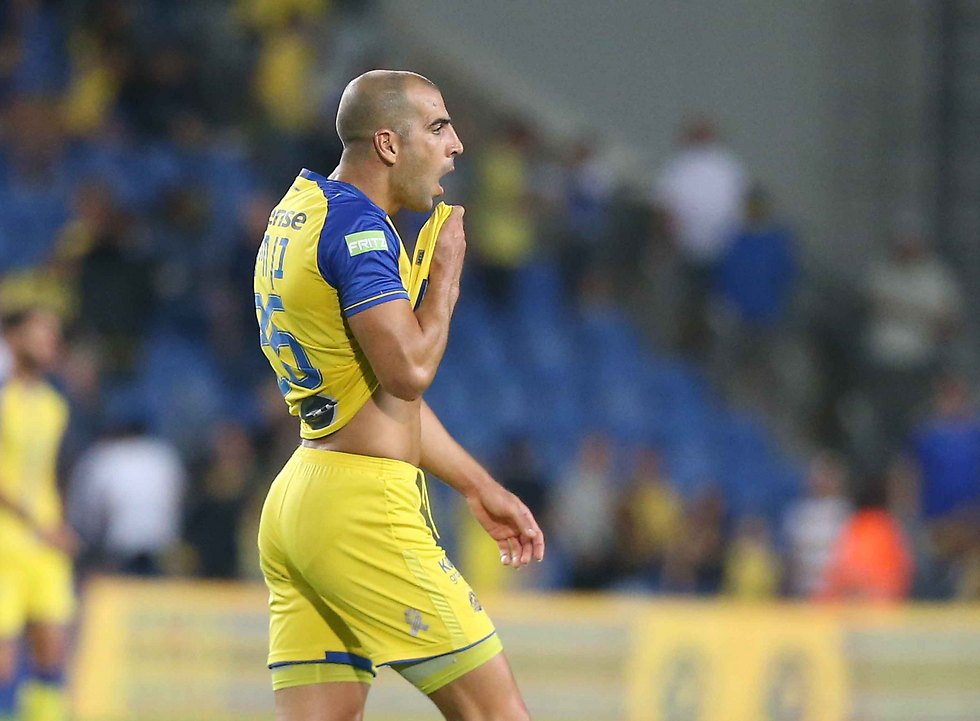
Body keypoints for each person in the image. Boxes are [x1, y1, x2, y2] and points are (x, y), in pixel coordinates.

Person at [254, 70, 544, 721]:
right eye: (438, 126)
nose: (456, 144)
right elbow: (408, 372)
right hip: (361, 507)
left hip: (303, 495)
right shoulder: (358, 227)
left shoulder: (300, 210)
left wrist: (475, 484)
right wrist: (444, 278)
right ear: (388, 143)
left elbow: (377, 397)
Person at [0, 308, 76, 721]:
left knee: (52, 651)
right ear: (13, 338)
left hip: (44, 544)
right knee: (4, 664)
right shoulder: (4, 399)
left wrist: (59, 523)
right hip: (6, 542)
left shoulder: (53, 406)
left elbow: (49, 474)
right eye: (39, 333)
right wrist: (38, 522)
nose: (49, 342)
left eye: (53, 334)